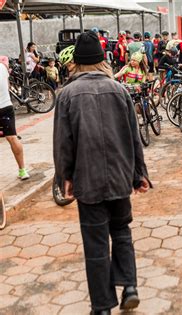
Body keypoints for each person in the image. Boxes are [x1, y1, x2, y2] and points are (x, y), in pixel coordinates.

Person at [53, 31, 151, 315]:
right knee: (121, 231)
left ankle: (102, 307)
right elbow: (134, 137)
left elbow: (63, 143)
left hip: (88, 180)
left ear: (77, 63)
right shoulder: (119, 90)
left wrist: (65, 178)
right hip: (120, 177)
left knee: (95, 243)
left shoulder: (67, 95)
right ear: (102, 60)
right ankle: (130, 287)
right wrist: (139, 174)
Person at [0, 56, 29, 180]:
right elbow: (7, 87)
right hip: (6, 106)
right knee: (12, 137)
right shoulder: (2, 67)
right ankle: (23, 170)